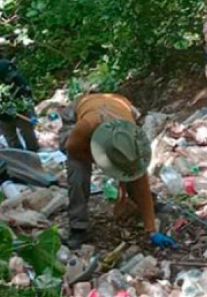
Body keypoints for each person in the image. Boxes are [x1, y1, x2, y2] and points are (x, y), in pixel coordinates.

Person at [60, 93, 176, 250]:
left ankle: (147, 205)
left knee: (129, 169)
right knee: (78, 171)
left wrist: (152, 230)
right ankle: (78, 227)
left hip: (122, 106)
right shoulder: (86, 125)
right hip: (82, 109)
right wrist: (97, 158)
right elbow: (71, 148)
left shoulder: (131, 137)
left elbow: (140, 178)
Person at [0, 59, 40, 151]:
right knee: (11, 138)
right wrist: (1, 109)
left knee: (28, 132)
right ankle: (19, 156)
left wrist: (32, 113)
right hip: (2, 114)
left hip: (20, 109)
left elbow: (28, 95)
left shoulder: (18, 79)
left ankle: (34, 152)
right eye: (8, 76)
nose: (10, 78)